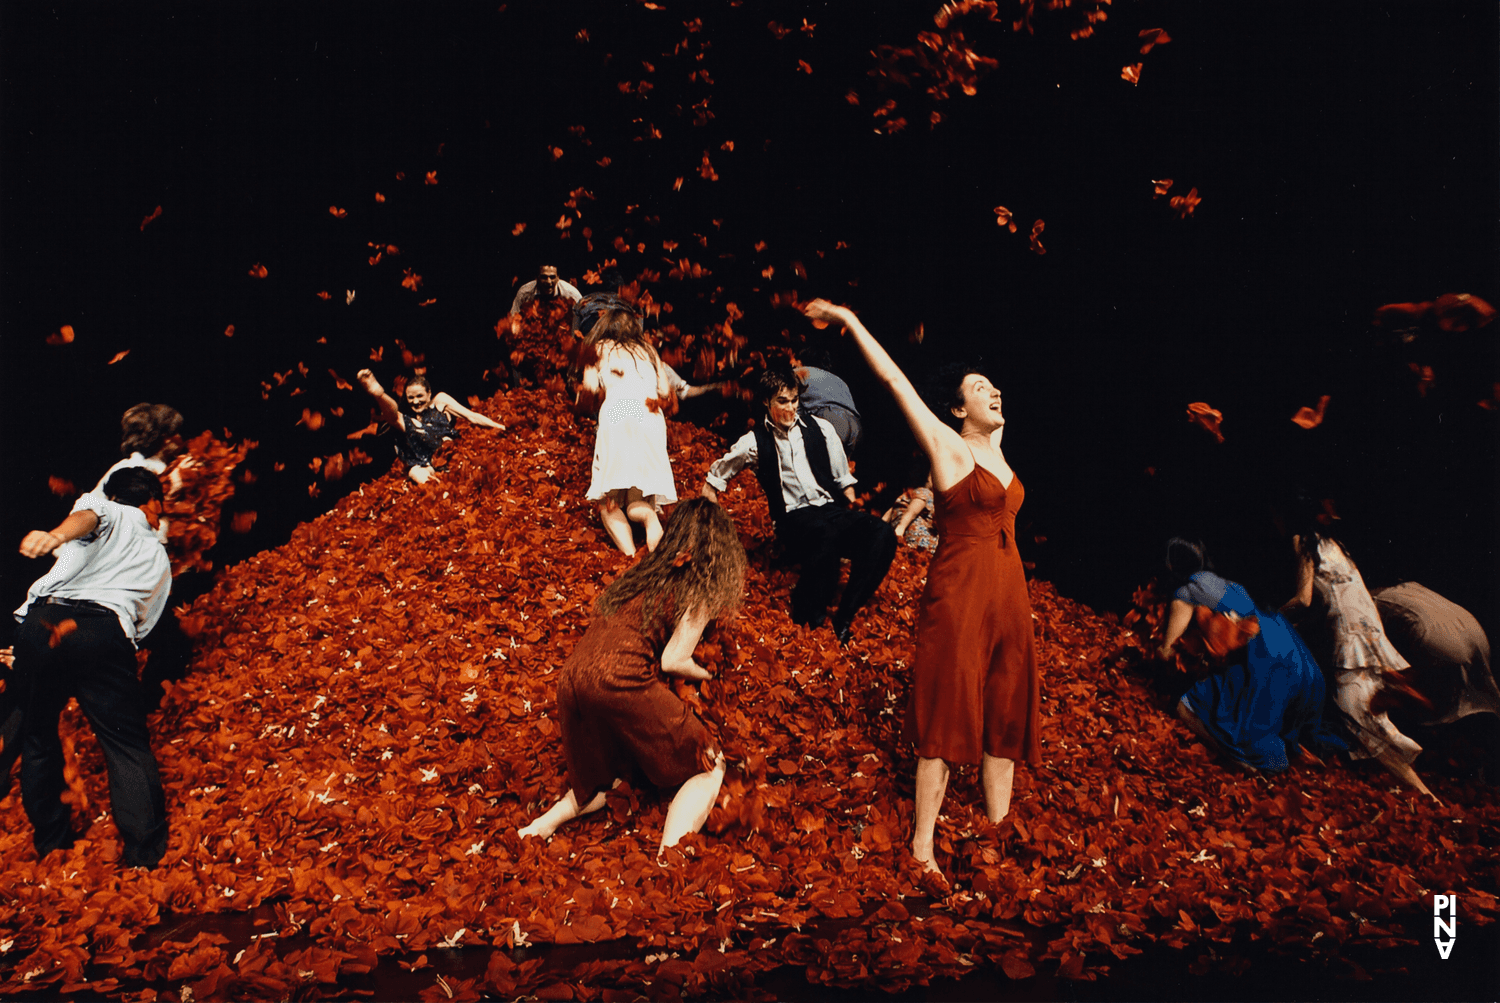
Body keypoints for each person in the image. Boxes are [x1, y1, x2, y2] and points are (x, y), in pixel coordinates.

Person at [801, 300, 1038, 880]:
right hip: (960, 595)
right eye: (980, 389)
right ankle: (922, 847)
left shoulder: (1000, 454)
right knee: (946, 713)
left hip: (1011, 599)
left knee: (1004, 716)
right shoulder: (948, 446)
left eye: (994, 386)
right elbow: (893, 380)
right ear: (958, 408)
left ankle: (997, 831)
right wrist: (851, 320)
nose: (993, 392)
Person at [518, 498, 747, 854]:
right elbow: (673, 659)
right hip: (618, 678)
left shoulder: (643, 574)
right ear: (721, 549)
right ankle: (669, 857)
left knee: (604, 777)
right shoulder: (700, 585)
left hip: (573, 680)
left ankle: (542, 824)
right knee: (709, 762)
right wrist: (709, 675)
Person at [11, 467, 173, 868]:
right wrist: (57, 535)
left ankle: (52, 847)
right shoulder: (126, 520)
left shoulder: (125, 530)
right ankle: (142, 857)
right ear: (153, 502)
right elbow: (89, 516)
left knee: (37, 737)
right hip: (100, 630)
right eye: (160, 508)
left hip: (41, 624)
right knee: (125, 744)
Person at [701, 363, 896, 645]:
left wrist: (854, 518)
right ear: (767, 402)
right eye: (783, 401)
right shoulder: (753, 442)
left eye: (795, 400)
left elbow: (845, 481)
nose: (791, 408)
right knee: (824, 534)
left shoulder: (823, 429)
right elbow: (714, 480)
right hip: (793, 519)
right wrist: (713, 529)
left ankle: (845, 613)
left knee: (882, 533)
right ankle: (808, 615)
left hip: (830, 510)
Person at [1280, 510, 1437, 799]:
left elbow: (1304, 599)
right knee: (1363, 716)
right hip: (1370, 630)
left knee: (1360, 716)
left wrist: (1274, 617)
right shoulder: (1333, 544)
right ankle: (1391, 689)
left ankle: (1425, 794)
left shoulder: (1302, 542)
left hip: (1348, 638)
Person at [1158, 537, 1344, 775]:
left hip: (1264, 657)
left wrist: (1161, 652)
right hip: (1291, 649)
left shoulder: (1187, 592)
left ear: (1171, 567)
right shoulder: (1231, 586)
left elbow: (1166, 653)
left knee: (1186, 707)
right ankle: (1295, 750)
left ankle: (1237, 759)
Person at [578, 309, 680, 556]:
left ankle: (631, 557)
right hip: (650, 415)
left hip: (617, 414)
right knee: (639, 500)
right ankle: (649, 520)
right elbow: (665, 392)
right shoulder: (648, 350)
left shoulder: (599, 348)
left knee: (609, 500)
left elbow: (590, 387)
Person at [1372, 582, 1499, 723]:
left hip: (1405, 592)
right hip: (1385, 604)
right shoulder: (1437, 654)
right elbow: (1395, 682)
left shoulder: (1479, 650)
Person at [356, 370, 504, 484]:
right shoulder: (411, 421)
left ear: (429, 393)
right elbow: (394, 417)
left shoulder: (440, 401)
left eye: (420, 396)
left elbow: (471, 416)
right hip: (428, 464)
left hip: (453, 456)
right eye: (411, 398)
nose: (416, 402)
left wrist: (498, 426)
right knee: (414, 471)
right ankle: (441, 491)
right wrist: (378, 394)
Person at [93, 403, 185, 543]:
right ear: (166, 438)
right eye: (176, 432)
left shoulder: (137, 466)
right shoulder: (137, 470)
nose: (180, 438)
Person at [794, 362, 862, 454]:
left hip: (833, 419)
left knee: (819, 462)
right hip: (855, 425)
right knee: (842, 466)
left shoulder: (800, 372)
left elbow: (792, 403)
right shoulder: (835, 378)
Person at [509, 264, 582, 323]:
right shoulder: (524, 293)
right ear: (536, 278)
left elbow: (584, 319)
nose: (548, 281)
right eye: (544, 277)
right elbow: (513, 318)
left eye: (552, 277)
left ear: (558, 278)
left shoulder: (571, 293)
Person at [883, 474, 938, 552]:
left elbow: (911, 512)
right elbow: (911, 512)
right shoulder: (925, 492)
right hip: (912, 542)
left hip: (919, 545)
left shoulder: (928, 495)